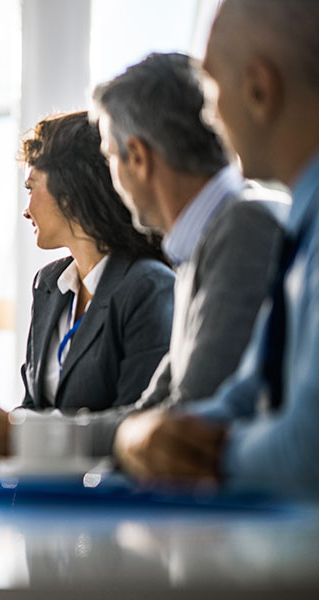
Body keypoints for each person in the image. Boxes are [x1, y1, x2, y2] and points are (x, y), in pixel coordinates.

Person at [114, 0, 319, 495]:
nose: (208, 114)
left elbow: (308, 451)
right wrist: (139, 437)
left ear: (258, 89)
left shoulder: (257, 225)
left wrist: (172, 448)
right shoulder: (300, 225)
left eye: (211, 87)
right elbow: (244, 394)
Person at [80, 52, 285, 455]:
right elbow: (150, 411)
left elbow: (189, 419)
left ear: (137, 157)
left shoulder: (245, 229)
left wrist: (26, 437)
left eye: (108, 156)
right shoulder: (204, 238)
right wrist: (26, 435)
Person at [18, 111, 174, 414]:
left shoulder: (148, 287)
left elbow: (138, 421)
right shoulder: (48, 285)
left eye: (31, 187)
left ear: (70, 189)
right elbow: (33, 407)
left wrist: (11, 430)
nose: (26, 210)